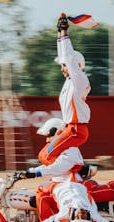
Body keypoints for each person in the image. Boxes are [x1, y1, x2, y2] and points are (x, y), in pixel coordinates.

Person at [37, 12, 91, 166]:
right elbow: (64, 56)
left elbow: (68, 57)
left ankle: (76, 176)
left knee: (45, 156)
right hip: (70, 129)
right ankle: (72, 177)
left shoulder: (79, 79)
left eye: (64, 66)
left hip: (75, 130)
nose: (62, 68)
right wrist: (59, 32)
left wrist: (65, 31)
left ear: (76, 65)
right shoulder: (70, 81)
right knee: (46, 155)